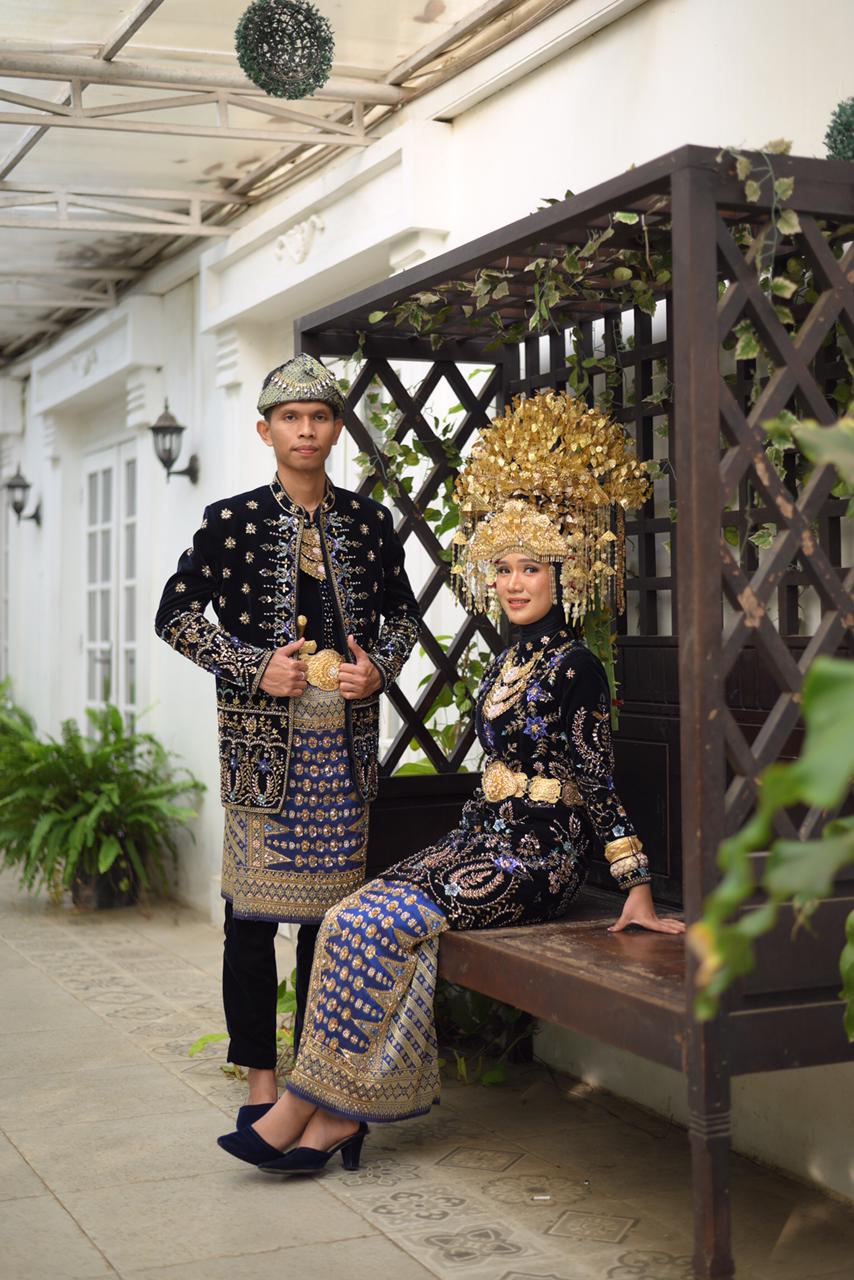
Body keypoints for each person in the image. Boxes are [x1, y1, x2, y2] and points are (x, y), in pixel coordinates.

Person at [214, 389, 685, 1174]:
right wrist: (457, 843)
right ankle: (325, 1108)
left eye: (531, 568)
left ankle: (318, 1114)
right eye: (502, 569)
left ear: (565, 575)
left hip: (539, 862)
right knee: (350, 915)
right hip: (483, 843)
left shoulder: (576, 667)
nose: (513, 584)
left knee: (378, 924)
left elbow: (599, 783)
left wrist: (634, 886)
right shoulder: (508, 660)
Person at [155, 354, 420, 1128]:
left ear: (336, 430)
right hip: (261, 757)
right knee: (250, 921)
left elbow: (404, 619)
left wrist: (378, 670)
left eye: (320, 416)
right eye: (291, 418)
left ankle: (315, 1082)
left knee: (328, 927)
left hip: (344, 755)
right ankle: (260, 1081)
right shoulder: (230, 520)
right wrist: (251, 666)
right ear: (266, 431)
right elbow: (175, 617)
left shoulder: (369, 523)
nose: (307, 430)